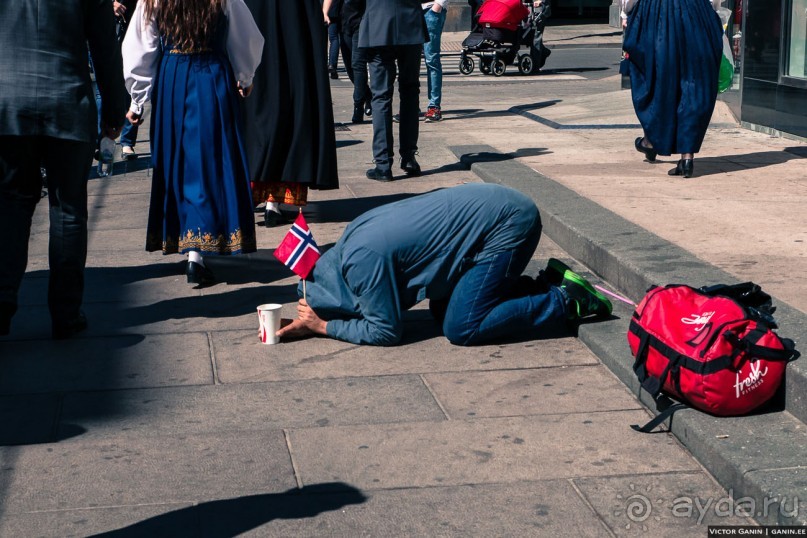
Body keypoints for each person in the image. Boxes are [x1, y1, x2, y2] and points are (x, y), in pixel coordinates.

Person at [276, 184, 612, 346]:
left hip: (510, 225)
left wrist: (323, 327)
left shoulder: (362, 266)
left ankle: (566, 300)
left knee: (461, 327)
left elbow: (385, 330)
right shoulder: (348, 247)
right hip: (494, 212)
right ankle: (542, 285)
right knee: (442, 310)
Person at [0, 0, 128, 339]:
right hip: (67, 102)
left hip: (9, 102)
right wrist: (115, 111)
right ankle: (66, 312)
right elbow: (105, 49)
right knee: (68, 207)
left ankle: (2, 300)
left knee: (12, 203)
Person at [123, 0, 264, 286]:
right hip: (212, 73)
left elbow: (141, 44)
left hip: (173, 75)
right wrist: (244, 74)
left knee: (181, 162)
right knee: (211, 161)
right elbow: (245, 34)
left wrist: (137, 101)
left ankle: (193, 249)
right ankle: (198, 251)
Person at [241, 0, 340, 227]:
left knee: (257, 109)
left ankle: (255, 191)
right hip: (295, 27)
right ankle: (273, 202)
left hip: (257, 25)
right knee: (293, 108)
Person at [622, 0, 723, 179]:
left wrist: (626, 11)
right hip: (696, 12)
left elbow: (630, 4)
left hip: (656, 13)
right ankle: (686, 157)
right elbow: (714, 3)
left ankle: (651, 140)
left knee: (658, 79)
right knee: (694, 83)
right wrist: (711, 9)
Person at [361, 0, 429, 182]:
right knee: (410, 92)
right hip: (410, 23)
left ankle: (383, 164)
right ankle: (408, 157)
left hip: (378, 23)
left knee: (381, 95)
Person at [325, 0, 372, 123]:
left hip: (361, 24)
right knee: (350, 69)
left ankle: (358, 106)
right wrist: (325, 12)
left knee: (358, 64)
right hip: (344, 24)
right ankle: (368, 95)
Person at [422, 0, 448, 122]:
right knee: (409, 60)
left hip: (430, 10)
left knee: (432, 60)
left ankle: (434, 106)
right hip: (411, 11)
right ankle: (410, 105)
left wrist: (438, 5)